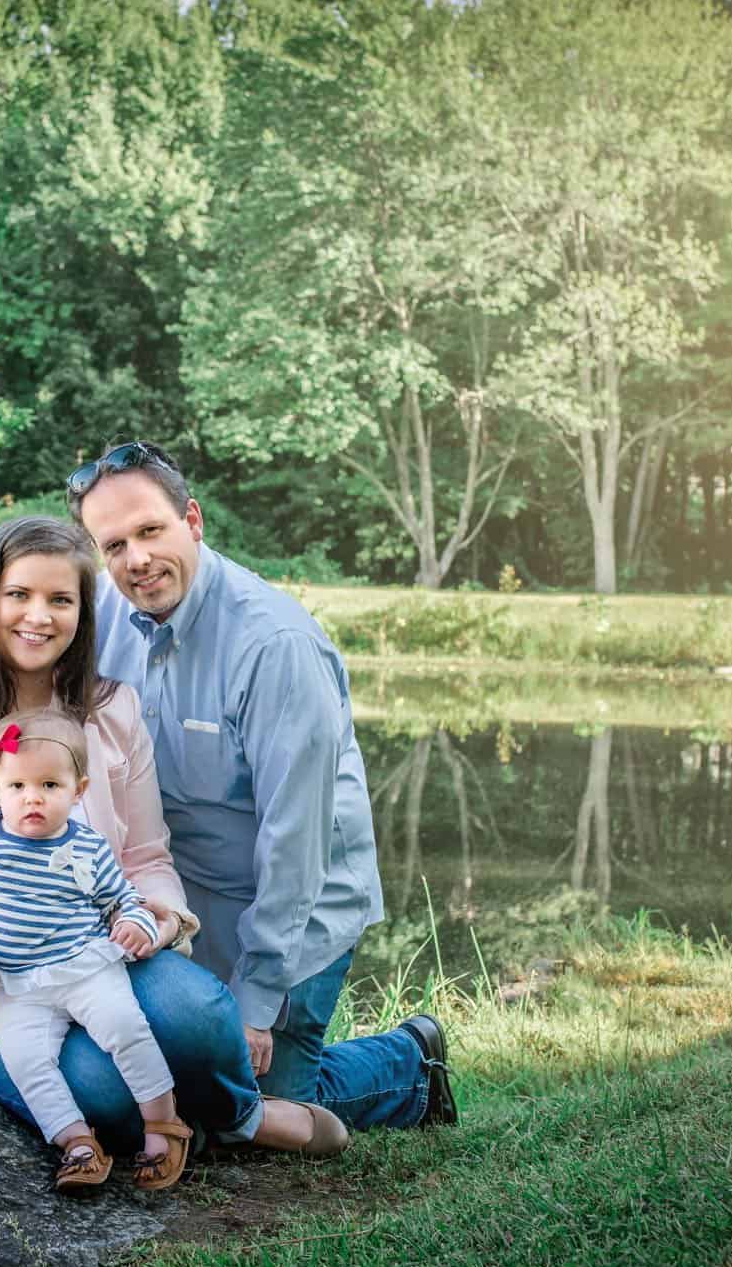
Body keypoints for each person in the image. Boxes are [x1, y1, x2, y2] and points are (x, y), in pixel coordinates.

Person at [0, 515, 349, 1163]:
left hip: (80, 952)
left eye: (60, 600)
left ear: (82, 613)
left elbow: (147, 856)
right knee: (105, 1093)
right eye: (20, 595)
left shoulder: (112, 711)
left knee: (201, 1011)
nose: (39, 616)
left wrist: (158, 916)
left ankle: (239, 1117)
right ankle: (263, 1114)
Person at [69, 443, 460, 1131]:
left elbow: (295, 845)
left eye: (151, 531)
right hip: (184, 903)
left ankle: (410, 1064)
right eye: (115, 544)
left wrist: (254, 1001)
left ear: (192, 520)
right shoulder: (104, 612)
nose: (136, 560)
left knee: (237, 1112)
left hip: (297, 908)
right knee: (145, 1090)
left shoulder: (274, 645)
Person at [0, 706, 192, 1192]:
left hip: (84, 967)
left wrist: (135, 923)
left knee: (126, 1029)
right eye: (18, 787)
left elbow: (122, 899)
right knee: (27, 1063)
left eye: (50, 786)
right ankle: (77, 1143)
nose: (33, 799)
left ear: (79, 790)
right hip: (15, 983)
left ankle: (162, 1124)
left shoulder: (88, 846)